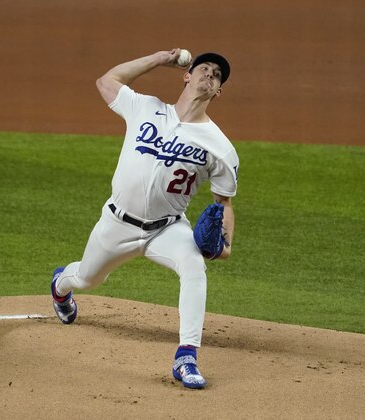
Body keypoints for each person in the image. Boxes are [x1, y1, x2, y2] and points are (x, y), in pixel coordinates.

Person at [50, 49, 238, 390]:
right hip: (116, 223)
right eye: (204, 69)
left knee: (195, 268)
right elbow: (106, 81)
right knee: (86, 279)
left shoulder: (221, 147)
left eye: (216, 76)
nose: (209, 76)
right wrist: (159, 59)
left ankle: (186, 357)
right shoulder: (146, 108)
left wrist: (224, 245)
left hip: (167, 228)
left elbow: (223, 202)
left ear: (218, 91)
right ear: (187, 75)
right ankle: (60, 287)